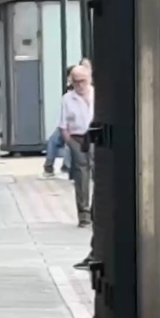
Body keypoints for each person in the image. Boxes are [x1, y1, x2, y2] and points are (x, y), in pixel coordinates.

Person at [61, 65, 95, 240]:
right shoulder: (68, 99)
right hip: (77, 138)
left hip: (95, 138)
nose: (79, 85)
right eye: (75, 82)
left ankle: (96, 211)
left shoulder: (97, 94)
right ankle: (84, 215)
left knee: (100, 175)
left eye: (82, 81)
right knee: (82, 175)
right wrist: (70, 143)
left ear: (89, 78)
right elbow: (63, 126)